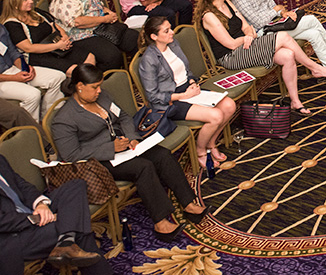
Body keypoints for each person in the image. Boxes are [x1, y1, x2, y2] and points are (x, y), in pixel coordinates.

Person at [51, 64, 207, 243]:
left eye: (100, 86)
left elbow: (123, 117)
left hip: (125, 147)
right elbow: (71, 155)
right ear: (79, 86)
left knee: (162, 155)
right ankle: (161, 222)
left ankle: (188, 204)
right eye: (94, 87)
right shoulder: (64, 119)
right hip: (100, 160)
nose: (99, 90)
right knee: (143, 167)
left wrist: (132, 138)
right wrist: (111, 148)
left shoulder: (103, 97)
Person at [194, 0, 326, 115]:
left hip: (247, 46)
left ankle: (295, 101)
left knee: (288, 55)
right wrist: (246, 37)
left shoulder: (228, 2)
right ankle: (315, 68)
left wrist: (248, 35)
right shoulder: (209, 16)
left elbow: (246, 27)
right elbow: (231, 44)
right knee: (284, 37)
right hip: (231, 56)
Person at [137, 16, 237, 169]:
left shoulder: (173, 44)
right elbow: (153, 96)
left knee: (229, 105)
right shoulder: (149, 59)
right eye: (167, 31)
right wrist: (184, 96)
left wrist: (191, 82)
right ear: (154, 37)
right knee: (216, 116)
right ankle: (201, 151)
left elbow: (186, 69)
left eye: (170, 28)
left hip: (188, 90)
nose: (172, 32)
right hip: (172, 101)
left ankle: (211, 142)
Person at [0, 154, 111, 274]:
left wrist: (40, 204)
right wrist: (35, 218)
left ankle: (65, 242)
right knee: (76, 227)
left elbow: (21, 185)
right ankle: (68, 241)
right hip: (13, 236)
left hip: (28, 210)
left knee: (75, 186)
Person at [48, 0, 137, 67]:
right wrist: (104, 19)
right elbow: (78, 22)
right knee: (112, 56)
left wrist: (109, 13)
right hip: (84, 35)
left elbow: (99, 5)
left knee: (134, 38)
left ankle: (137, 73)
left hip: (103, 26)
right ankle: (106, 79)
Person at [3, 0, 98, 75]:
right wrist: (57, 45)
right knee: (75, 71)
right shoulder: (12, 24)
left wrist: (64, 37)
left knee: (90, 58)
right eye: (25, 0)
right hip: (38, 55)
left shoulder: (36, 12)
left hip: (56, 46)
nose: (31, 1)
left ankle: (87, 86)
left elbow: (54, 25)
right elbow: (28, 48)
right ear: (15, 3)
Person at [0, 22, 62, 122]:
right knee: (33, 95)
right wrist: (14, 78)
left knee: (58, 77)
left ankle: (48, 122)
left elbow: (12, 52)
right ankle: (32, 130)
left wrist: (25, 68)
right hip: (2, 80)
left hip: (12, 69)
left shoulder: (1, 28)